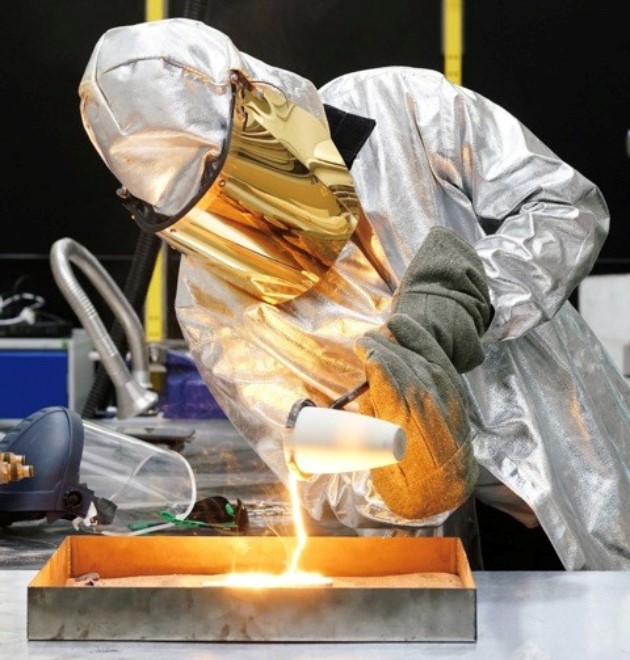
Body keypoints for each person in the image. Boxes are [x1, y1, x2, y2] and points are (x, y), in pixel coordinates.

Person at [78, 18, 630, 570]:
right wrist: (399, 485)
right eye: (205, 214)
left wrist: (476, 294)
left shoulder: (401, 105)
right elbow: (307, 458)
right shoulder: (210, 307)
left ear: (254, 97)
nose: (245, 220)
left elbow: (567, 207)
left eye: (227, 180)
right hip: (447, 549)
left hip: (582, 470)